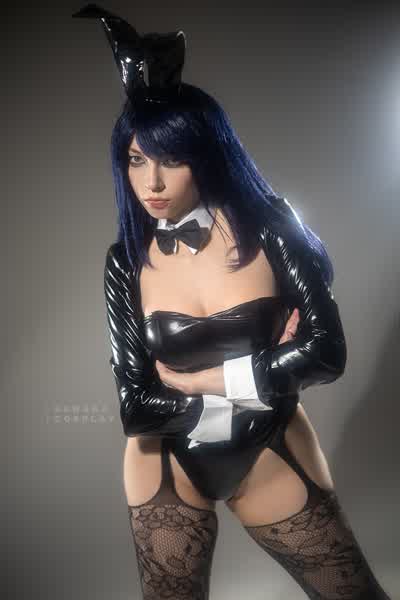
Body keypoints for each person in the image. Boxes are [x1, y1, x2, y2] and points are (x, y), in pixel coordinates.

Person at [74, 4, 392, 599]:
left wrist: (200, 382)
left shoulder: (272, 230)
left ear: (206, 155)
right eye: (137, 160)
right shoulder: (126, 261)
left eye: (172, 159)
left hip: (269, 446)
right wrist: (262, 376)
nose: (152, 183)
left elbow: (327, 354)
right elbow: (137, 409)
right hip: (164, 459)